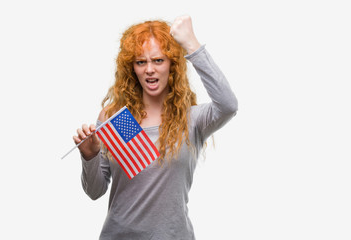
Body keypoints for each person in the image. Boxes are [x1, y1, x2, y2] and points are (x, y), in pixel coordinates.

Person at [73, 15, 238, 240]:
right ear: (132, 68)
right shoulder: (119, 119)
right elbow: (95, 191)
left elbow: (228, 105)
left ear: (172, 65)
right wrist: (89, 157)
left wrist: (191, 44)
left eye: (158, 60)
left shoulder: (190, 119)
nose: (149, 69)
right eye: (141, 62)